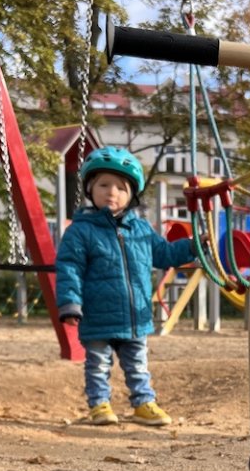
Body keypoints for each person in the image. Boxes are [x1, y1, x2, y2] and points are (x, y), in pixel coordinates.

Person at [55, 146, 197, 427]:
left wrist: (194, 247)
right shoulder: (81, 231)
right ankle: (99, 405)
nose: (112, 192)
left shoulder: (141, 229)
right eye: (104, 185)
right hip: (97, 315)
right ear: (89, 190)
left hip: (135, 316)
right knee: (97, 365)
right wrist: (70, 303)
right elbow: (69, 267)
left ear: (132, 194)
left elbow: (165, 255)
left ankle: (143, 403)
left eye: (121, 187)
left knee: (138, 365)